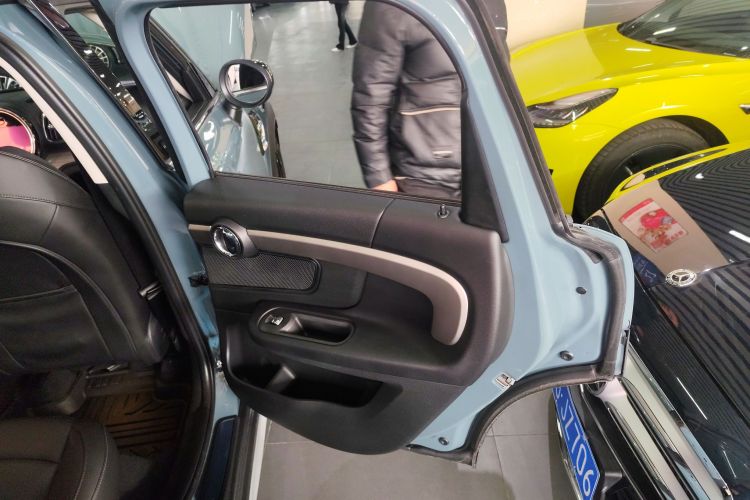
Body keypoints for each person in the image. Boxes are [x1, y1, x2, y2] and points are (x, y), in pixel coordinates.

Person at [351, 2, 463, 199]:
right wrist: (378, 176)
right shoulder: (391, 6)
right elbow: (371, 94)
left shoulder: (491, 5)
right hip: (421, 176)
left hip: (484, 168)